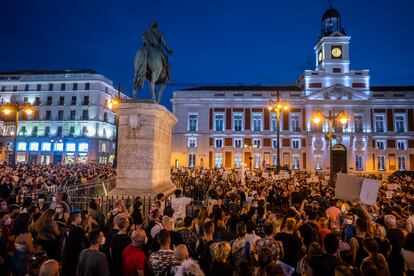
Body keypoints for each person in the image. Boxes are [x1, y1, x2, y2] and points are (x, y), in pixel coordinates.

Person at [62, 210, 88, 276]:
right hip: (76, 255)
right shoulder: (78, 229)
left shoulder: (67, 228)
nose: (81, 219)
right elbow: (88, 238)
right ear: (76, 217)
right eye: (80, 217)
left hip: (67, 255)